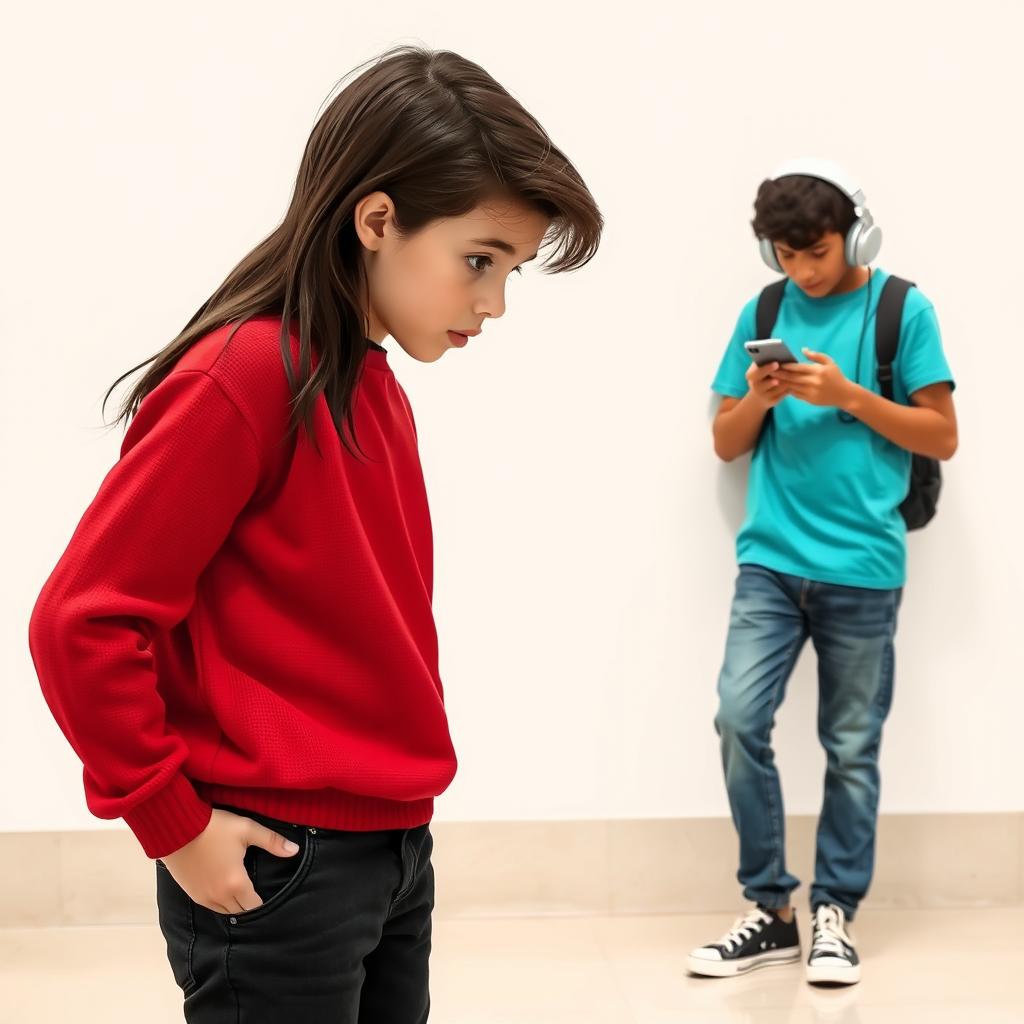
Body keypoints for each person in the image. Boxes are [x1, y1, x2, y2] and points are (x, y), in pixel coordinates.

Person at [27, 45, 602, 1022]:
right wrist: (173, 822)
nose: (493, 303)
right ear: (376, 219)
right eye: (479, 261)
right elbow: (79, 621)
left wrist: (397, 849)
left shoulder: (369, 384)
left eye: (507, 272)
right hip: (280, 858)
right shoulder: (245, 375)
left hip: (391, 847)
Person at [688, 159, 957, 986]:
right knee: (738, 720)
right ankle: (770, 911)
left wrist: (848, 395)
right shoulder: (762, 311)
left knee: (850, 746)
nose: (804, 269)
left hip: (865, 568)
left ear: (854, 232)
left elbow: (941, 435)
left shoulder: (902, 310)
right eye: (787, 253)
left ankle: (835, 911)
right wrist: (762, 398)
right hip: (770, 562)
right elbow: (725, 442)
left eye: (818, 250)